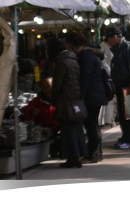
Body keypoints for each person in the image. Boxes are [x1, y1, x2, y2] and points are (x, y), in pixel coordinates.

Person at [65, 31, 108, 163]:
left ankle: (93, 154)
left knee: (92, 125)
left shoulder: (85, 57)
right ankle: (96, 153)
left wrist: (81, 97)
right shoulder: (89, 54)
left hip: (92, 96)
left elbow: (85, 78)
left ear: (73, 45)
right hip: (96, 94)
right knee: (93, 125)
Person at [48, 37, 88, 168]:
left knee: (68, 130)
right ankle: (78, 156)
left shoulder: (61, 62)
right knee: (77, 129)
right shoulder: (73, 60)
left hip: (66, 100)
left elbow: (57, 83)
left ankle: (72, 158)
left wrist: (53, 99)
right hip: (75, 99)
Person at [106, 27, 130, 149]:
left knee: (129, 114)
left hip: (128, 85)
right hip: (120, 85)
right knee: (122, 114)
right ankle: (126, 137)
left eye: (109, 39)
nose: (109, 42)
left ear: (115, 37)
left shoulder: (127, 46)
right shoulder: (118, 49)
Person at [22, 76, 60, 157]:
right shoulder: (37, 100)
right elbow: (27, 111)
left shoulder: (60, 98)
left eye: (49, 87)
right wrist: (32, 112)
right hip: (43, 129)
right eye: (44, 88)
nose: (47, 90)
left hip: (58, 129)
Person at [98, 36, 117, 128]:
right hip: (107, 76)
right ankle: (107, 120)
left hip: (110, 75)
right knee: (110, 99)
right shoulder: (103, 47)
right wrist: (111, 73)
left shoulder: (109, 47)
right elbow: (104, 62)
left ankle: (109, 119)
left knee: (112, 100)